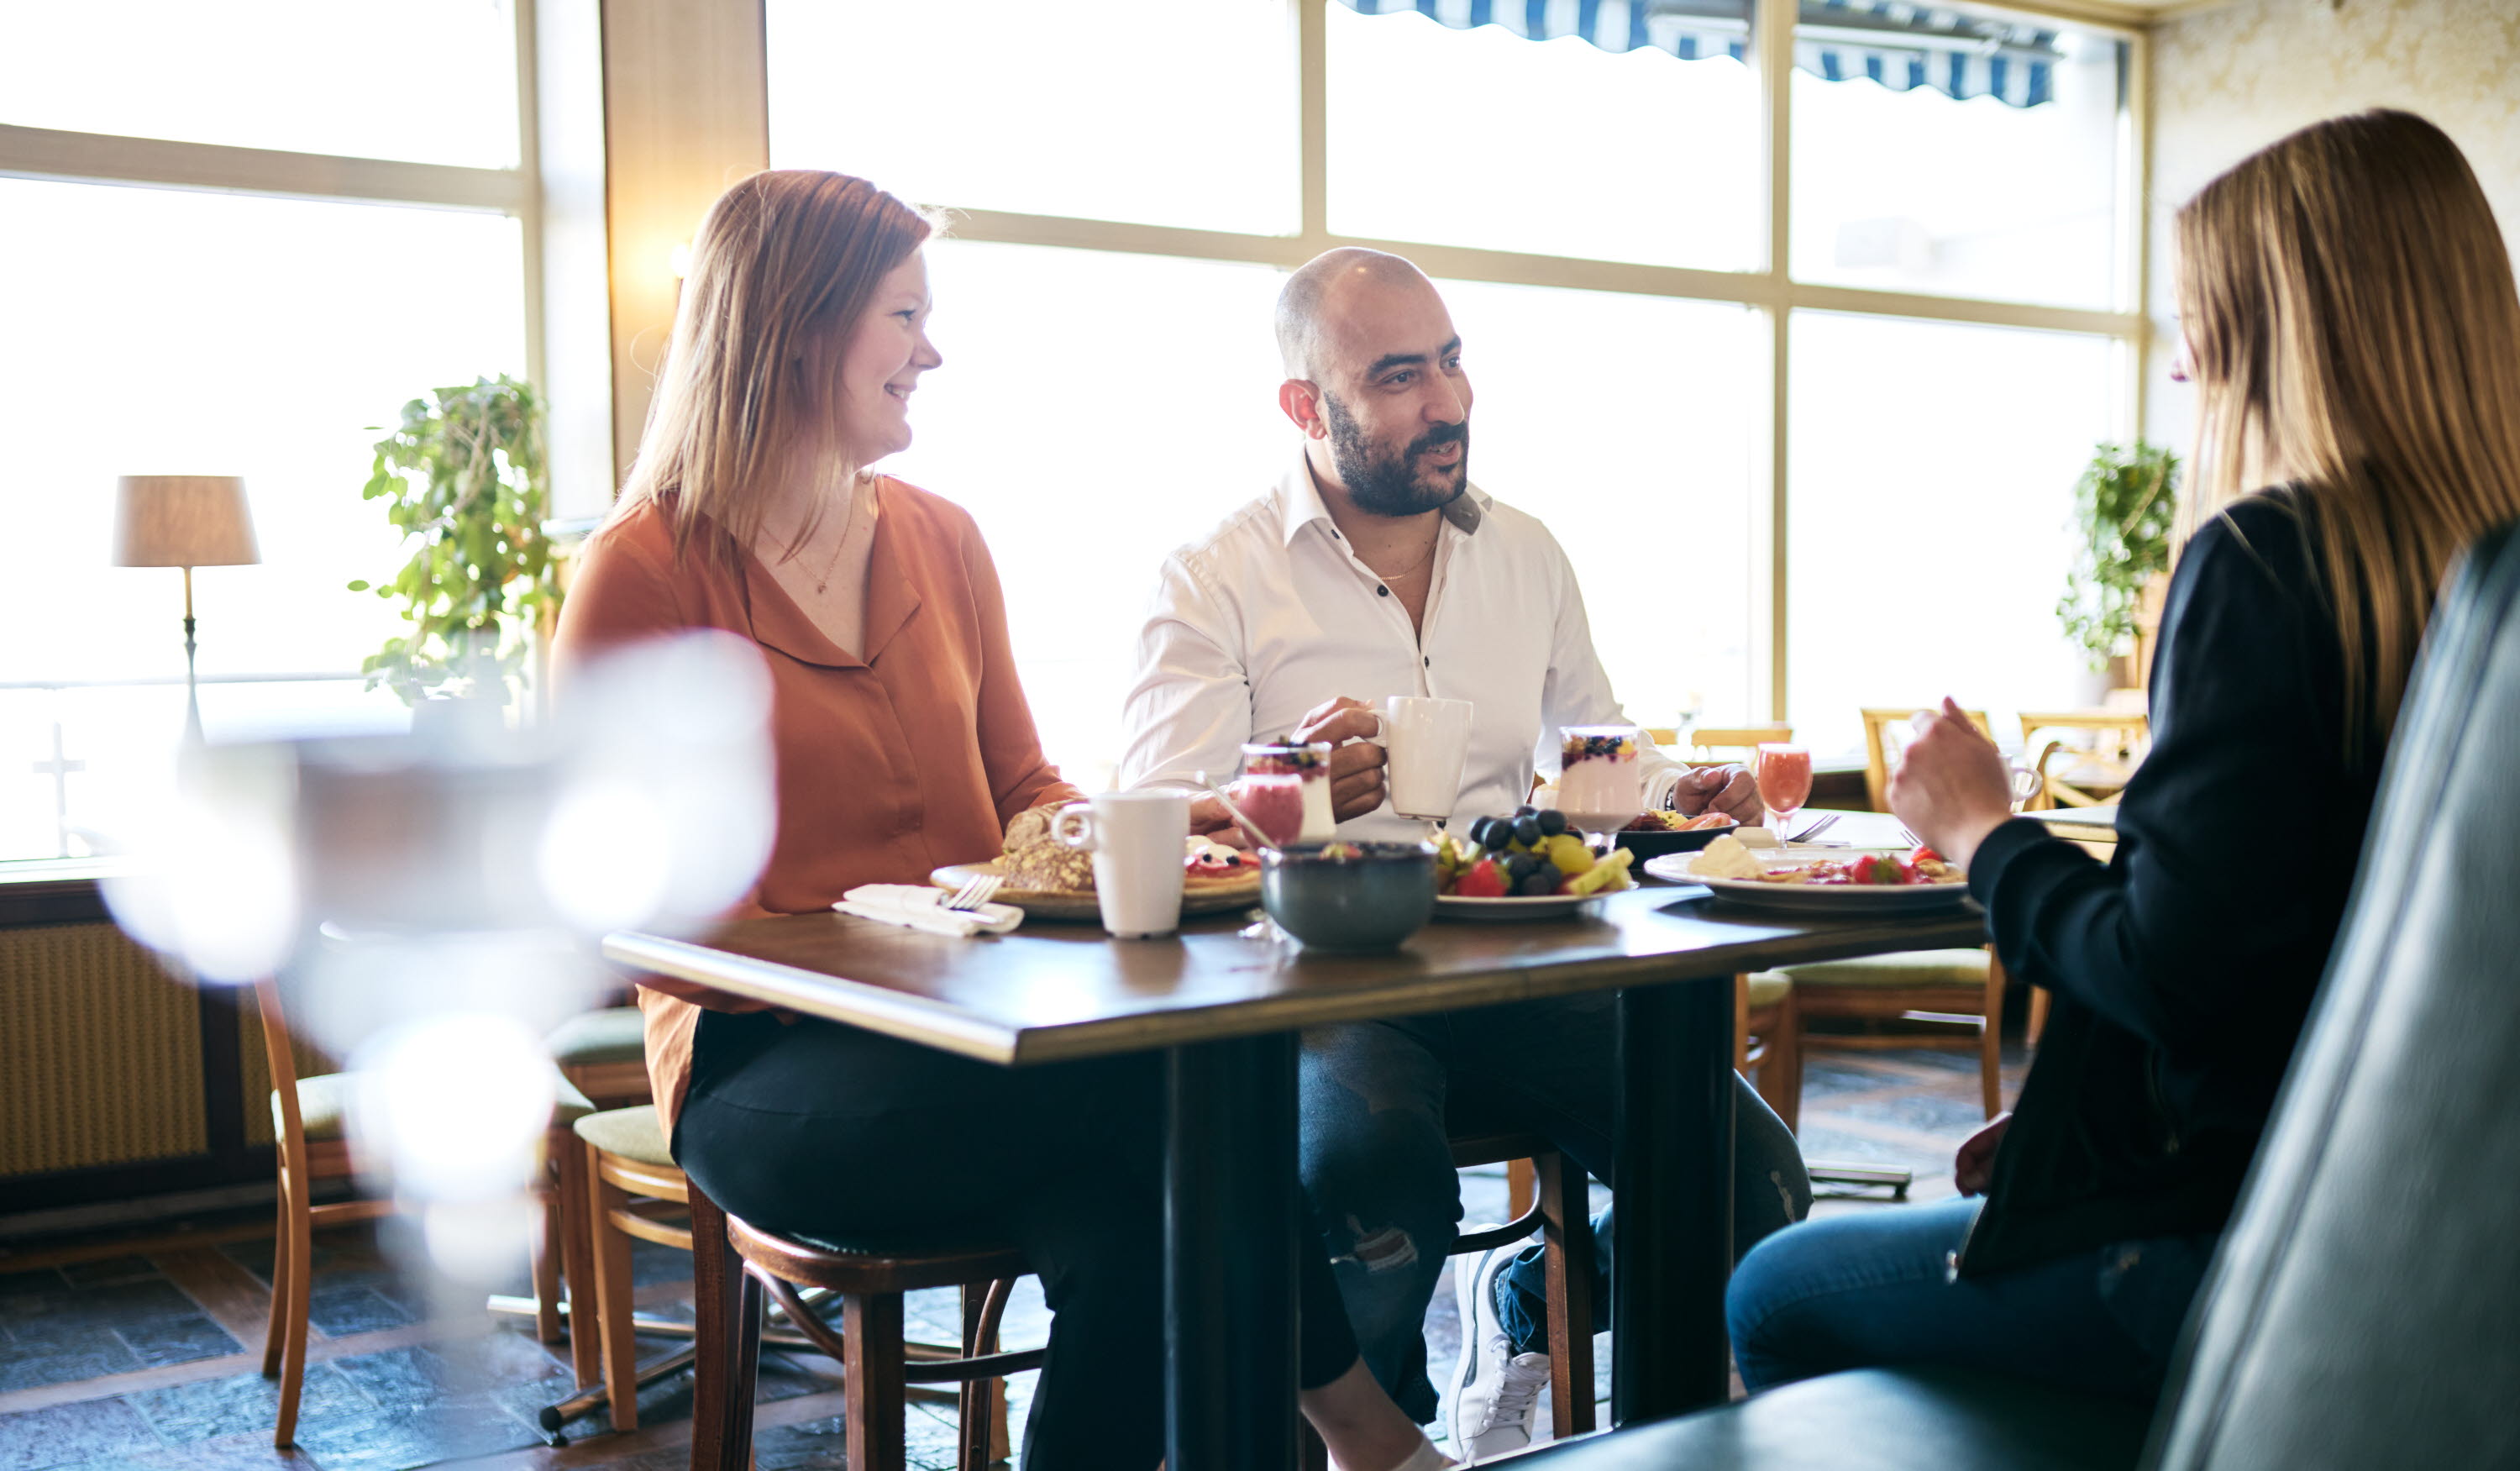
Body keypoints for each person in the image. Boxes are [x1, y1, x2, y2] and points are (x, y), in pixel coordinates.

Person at [555, 172, 1452, 1471]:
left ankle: (1341, 1443)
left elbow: (1029, 796)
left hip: (981, 1043)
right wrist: (865, 942)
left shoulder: (945, 541)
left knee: (1151, 1200)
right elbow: (614, 906)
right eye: (903, 315)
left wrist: (1216, 808)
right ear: (796, 325)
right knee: (1166, 1120)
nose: (934, 350)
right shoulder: (648, 570)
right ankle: (1367, 1433)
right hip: (767, 1069)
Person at [1725, 109, 2520, 1401]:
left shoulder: (2265, 565)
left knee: (1773, 1290)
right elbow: (2295, 957)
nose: (2183, 371)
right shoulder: (2478, 586)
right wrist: (2071, 1124)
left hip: (2223, 1252)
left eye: (2201, 320)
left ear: (2288, 329)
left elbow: (2174, 971)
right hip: (2428, 1254)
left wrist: (1981, 829)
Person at [1117, 247, 1809, 1459]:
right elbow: (1160, 815)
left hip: (1518, 964)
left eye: (1450, 360)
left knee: (1747, 1171)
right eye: (1397, 377)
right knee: (1371, 1192)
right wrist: (1291, 778)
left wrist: (1677, 789)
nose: (1447, 401)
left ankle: (1574, 1351)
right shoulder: (1214, 575)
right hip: (1319, 985)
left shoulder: (1528, 553)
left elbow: (1593, 756)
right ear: (1304, 407)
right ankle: (1354, 1440)